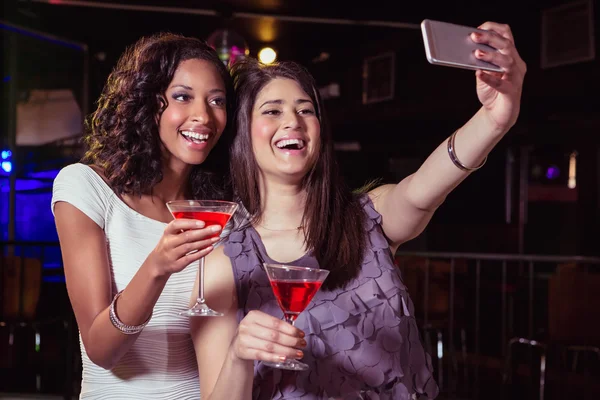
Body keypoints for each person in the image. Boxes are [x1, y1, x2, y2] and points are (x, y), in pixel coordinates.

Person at [191, 21, 526, 400]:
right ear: (242, 137)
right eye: (272, 111)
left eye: (306, 110)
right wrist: (238, 356)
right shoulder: (223, 263)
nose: (293, 122)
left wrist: (495, 119)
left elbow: (426, 186)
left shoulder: (369, 219)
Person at [51, 32, 234, 399]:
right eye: (183, 96)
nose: (203, 115)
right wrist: (157, 267)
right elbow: (101, 350)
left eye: (217, 101)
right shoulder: (86, 188)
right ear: (149, 104)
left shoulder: (226, 208)